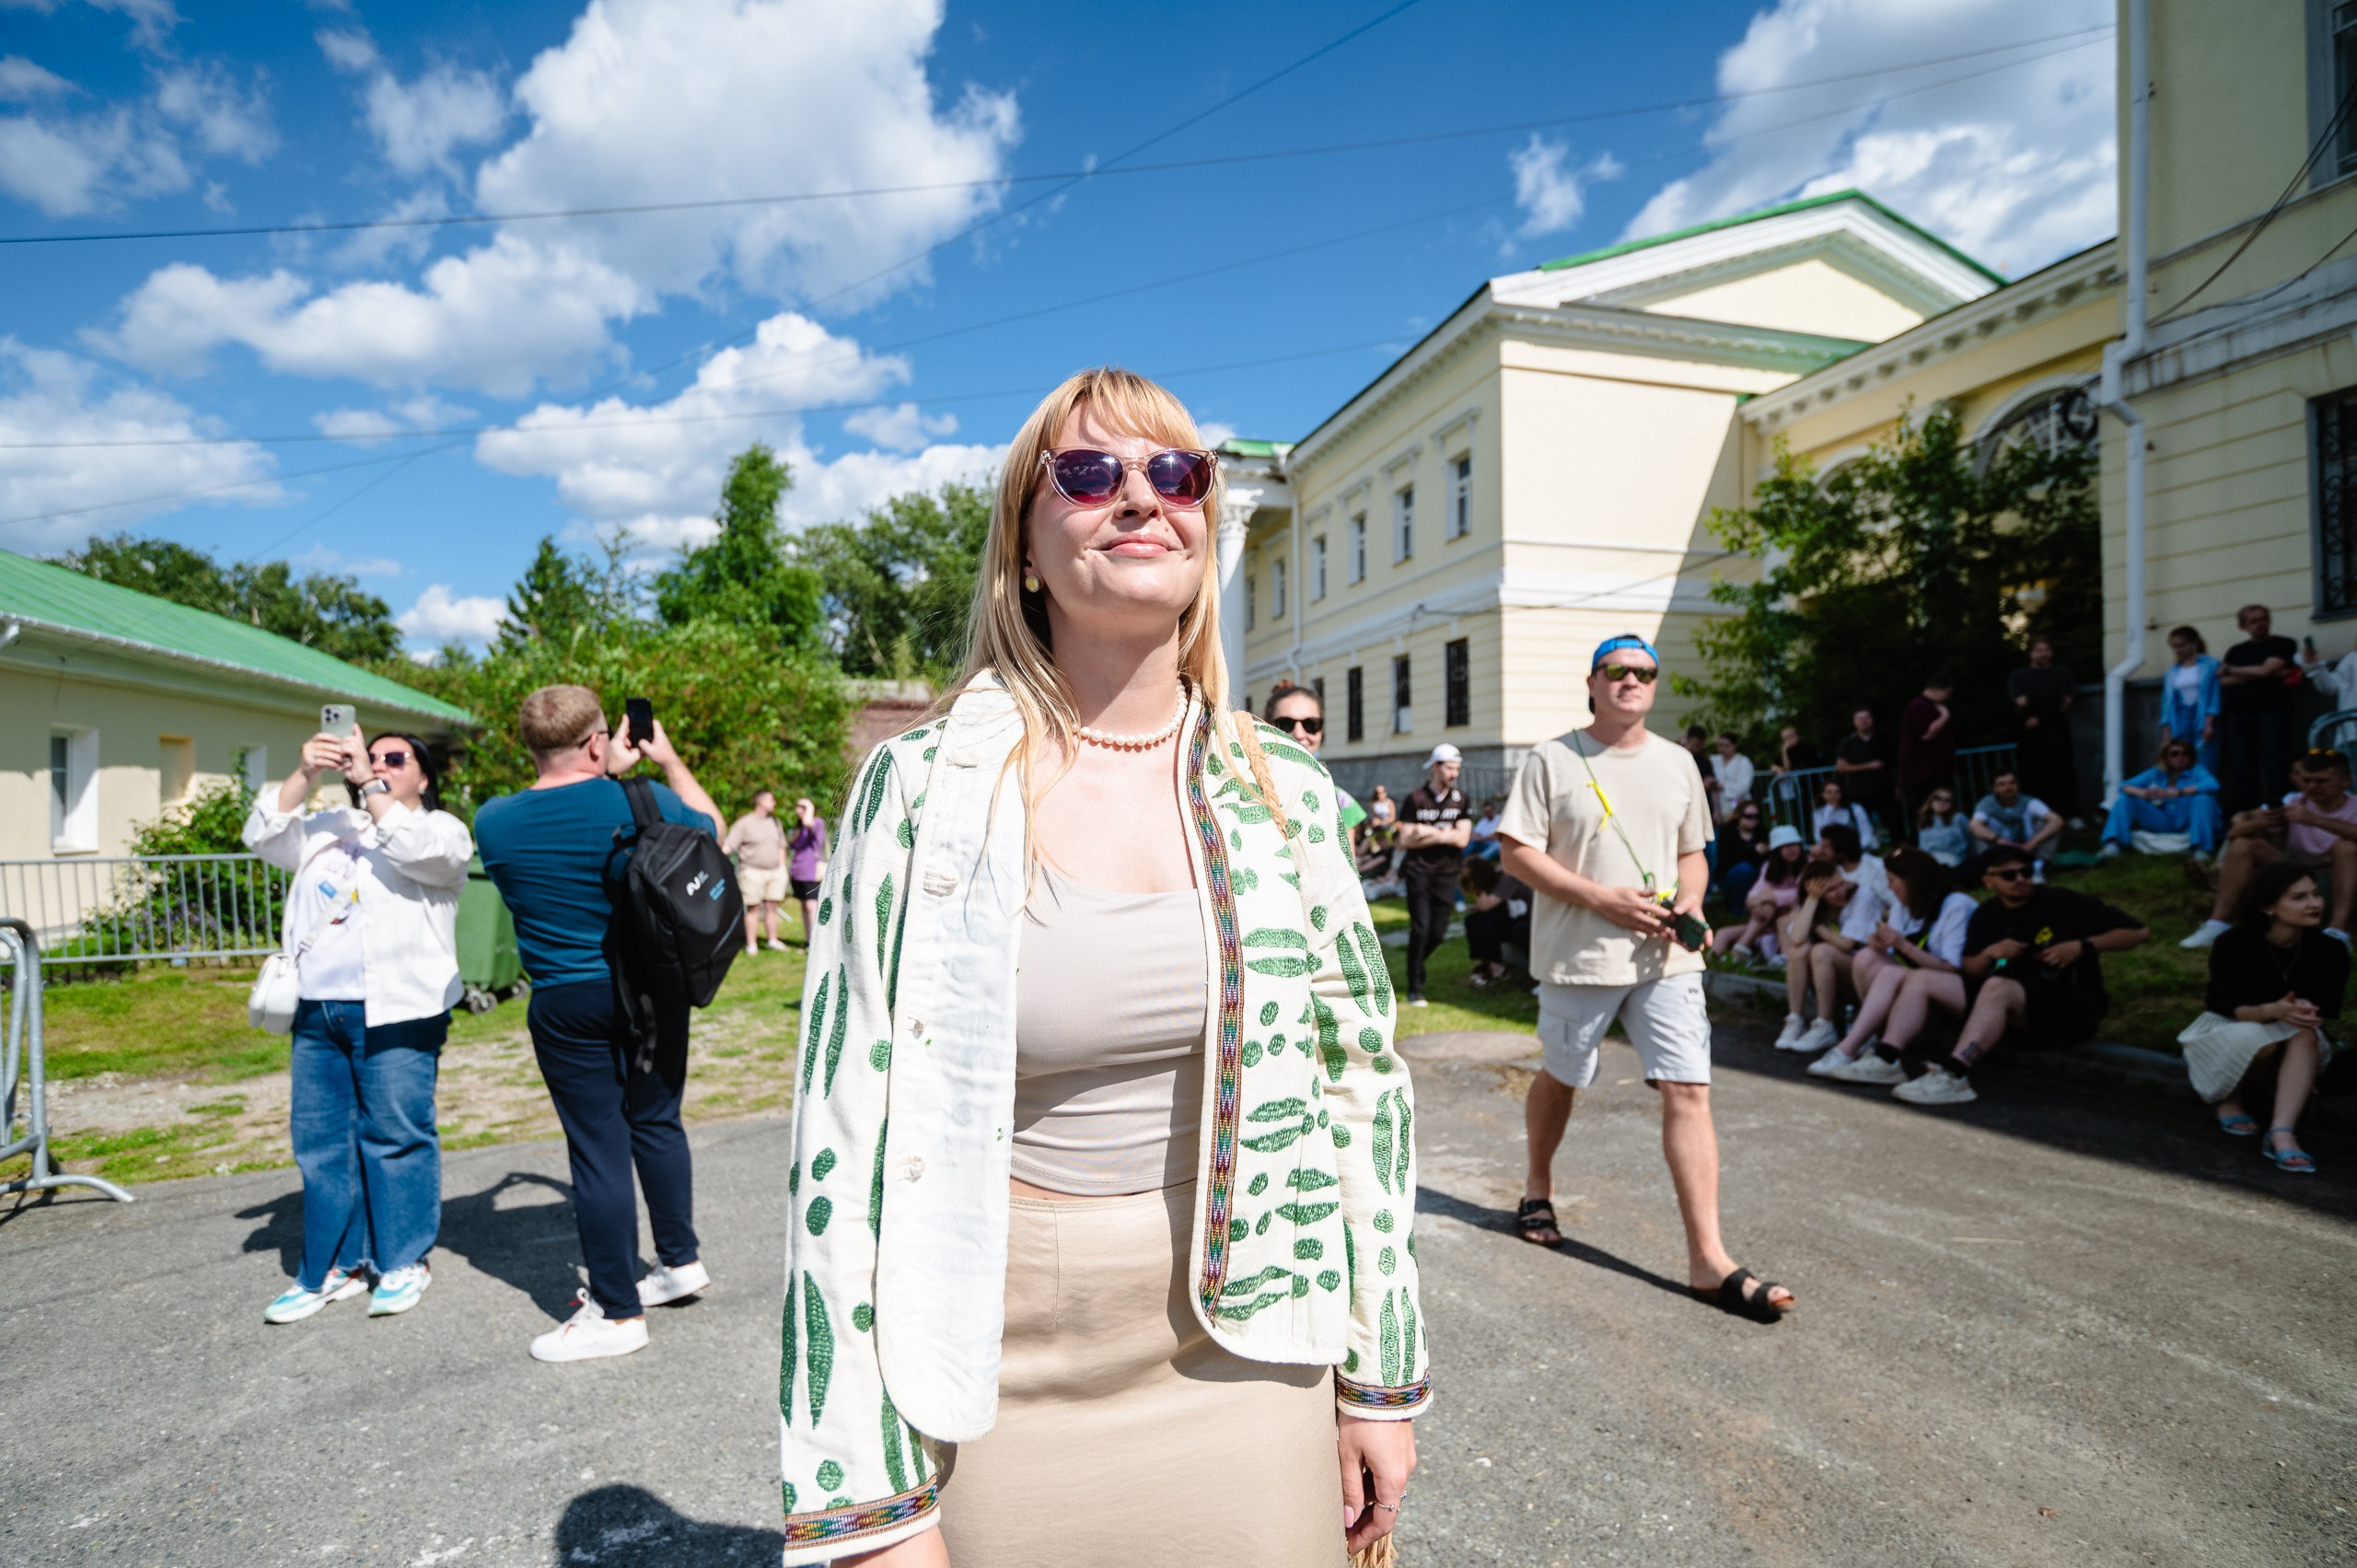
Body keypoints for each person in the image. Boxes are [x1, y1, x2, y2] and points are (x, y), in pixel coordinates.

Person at [777, 368, 1424, 1567]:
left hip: (1254, 1341)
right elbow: (843, 1128)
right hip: (994, 1353)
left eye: (1175, 474)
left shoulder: (1281, 790)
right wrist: (861, 1497)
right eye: (1087, 474)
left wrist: (1380, 1377)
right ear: (1024, 544)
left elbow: (1359, 1084)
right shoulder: (923, 788)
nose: (1139, 498)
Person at [1498, 633, 1794, 1321]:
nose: (1631, 680)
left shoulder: (1679, 762)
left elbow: (1694, 853)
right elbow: (1516, 854)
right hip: (1580, 955)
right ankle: (1537, 1182)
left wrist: (1692, 899)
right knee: (1565, 1075)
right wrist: (1600, 898)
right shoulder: (1553, 758)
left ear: (1655, 686)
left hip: (1667, 956)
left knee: (1689, 1087)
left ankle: (1708, 1258)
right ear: (1594, 682)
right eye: (1617, 670)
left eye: (1644, 672)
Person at [473, 686, 726, 1363]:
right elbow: (714, 832)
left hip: (567, 999)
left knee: (598, 1149)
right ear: (596, 741)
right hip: (653, 992)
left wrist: (602, 768)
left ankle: (617, 1312)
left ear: (530, 746)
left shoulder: (493, 821)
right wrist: (665, 762)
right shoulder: (644, 800)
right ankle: (677, 1260)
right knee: (657, 1120)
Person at [246, 726, 474, 1325]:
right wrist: (305, 772)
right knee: (321, 1143)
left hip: (399, 1008)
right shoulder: (332, 826)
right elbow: (264, 834)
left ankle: (401, 1260)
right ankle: (333, 1265)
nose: (376, 764)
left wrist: (371, 787)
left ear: (422, 776)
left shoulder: (441, 829)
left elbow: (414, 851)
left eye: (393, 759)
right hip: (319, 1008)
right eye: (370, 756)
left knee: (396, 1133)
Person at [1879, 843, 2150, 1107]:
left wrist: (2082, 946)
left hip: (2068, 1006)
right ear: (1988, 881)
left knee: (1998, 986)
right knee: (1922, 978)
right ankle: (1886, 1058)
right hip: (2013, 1011)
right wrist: (1989, 954)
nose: (2021, 879)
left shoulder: (2061, 901)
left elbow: (2138, 932)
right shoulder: (1986, 914)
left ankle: (1954, 1075)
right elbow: (1970, 968)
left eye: (2027, 872)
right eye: (2009, 875)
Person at [2177, 860, 2343, 1174]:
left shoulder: (2331, 950)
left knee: (2302, 1031)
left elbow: (2325, 1009)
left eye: (2315, 894)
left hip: (2296, 1035)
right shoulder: (2234, 943)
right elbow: (2228, 1006)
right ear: (2269, 906)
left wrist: (2302, 1010)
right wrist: (2273, 1010)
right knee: (2258, 1039)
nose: (2315, 903)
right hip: (2233, 1026)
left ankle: (2281, 1132)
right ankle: (2230, 1098)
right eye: (2299, 897)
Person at [1805, 846, 1977, 1082]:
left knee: (1891, 973)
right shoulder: (1902, 905)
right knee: (1866, 956)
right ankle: (1873, 1037)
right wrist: (1880, 944)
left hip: (1951, 986)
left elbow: (1952, 967)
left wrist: (1903, 945)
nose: (1889, 887)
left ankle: (1848, 1048)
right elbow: (1895, 949)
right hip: (1916, 984)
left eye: (1893, 881)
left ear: (1913, 881)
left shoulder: (1955, 904)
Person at [2183, 748, 2357, 949]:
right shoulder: (2294, 802)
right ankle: (2217, 924)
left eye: (2321, 781)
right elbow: (2234, 832)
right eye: (2307, 780)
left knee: (2346, 847)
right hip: (2299, 876)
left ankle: (2338, 933)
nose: (2312, 787)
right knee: (2245, 844)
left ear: (2345, 781)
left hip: (2341, 884)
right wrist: (2263, 823)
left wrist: (2315, 820)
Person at [1399, 742, 1472, 1006]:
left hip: (1447, 872)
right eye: (1450, 768)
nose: (1454, 773)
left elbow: (1463, 839)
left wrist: (1428, 832)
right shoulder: (1415, 799)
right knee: (1420, 928)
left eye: (1457, 768)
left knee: (1438, 932)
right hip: (1418, 872)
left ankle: (1415, 961)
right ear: (1436, 767)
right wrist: (1445, 834)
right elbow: (1405, 840)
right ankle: (1414, 987)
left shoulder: (1461, 799)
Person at [2219, 604, 2301, 816]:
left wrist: (2235, 670)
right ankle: (2250, 814)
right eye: (2254, 621)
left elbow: (2266, 670)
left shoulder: (2283, 643)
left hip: (2272, 712)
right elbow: (2223, 680)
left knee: (2275, 763)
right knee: (2242, 767)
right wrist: (2265, 672)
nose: (2260, 624)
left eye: (2263, 618)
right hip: (2238, 715)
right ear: (2242, 626)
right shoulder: (2236, 651)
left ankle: (2278, 812)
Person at [1774, 859, 1862, 1055]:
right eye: (1831, 890)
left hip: (1860, 975)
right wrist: (1812, 900)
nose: (1841, 892)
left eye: (1841, 884)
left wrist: (1819, 928)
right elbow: (1795, 940)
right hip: (1833, 975)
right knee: (1800, 953)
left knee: (1820, 950)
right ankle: (1795, 1020)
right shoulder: (1814, 907)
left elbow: (1845, 945)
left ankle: (1825, 1024)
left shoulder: (1857, 898)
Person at [2100, 738, 2223, 858]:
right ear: (2166, 757)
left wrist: (2180, 792)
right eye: (2174, 754)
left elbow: (2212, 784)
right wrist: (2141, 792)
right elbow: (2124, 786)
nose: (2180, 757)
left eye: (2185, 753)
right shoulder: (2156, 773)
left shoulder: (2196, 771)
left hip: (2187, 820)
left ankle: (2201, 849)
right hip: (2161, 820)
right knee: (2126, 798)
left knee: (2204, 799)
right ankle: (2113, 845)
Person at [1712, 823, 1805, 963]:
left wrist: (1772, 896)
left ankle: (1738, 952)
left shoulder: (1808, 865)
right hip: (1766, 921)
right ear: (1777, 850)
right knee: (1723, 933)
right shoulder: (1769, 867)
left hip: (1791, 920)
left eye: (1794, 844)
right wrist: (1757, 903)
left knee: (1767, 905)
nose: (1792, 849)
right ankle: (1711, 966)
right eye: (1786, 846)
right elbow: (1753, 896)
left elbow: (1802, 894)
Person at [2009, 634, 2080, 819]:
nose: (2044, 654)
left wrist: (2040, 714)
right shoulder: (2019, 676)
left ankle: (2070, 816)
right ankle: (2038, 817)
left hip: (2058, 735)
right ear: (2030, 653)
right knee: (2033, 777)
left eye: (2047, 650)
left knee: (2063, 775)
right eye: (2039, 651)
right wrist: (2051, 703)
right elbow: (2021, 703)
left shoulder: (2062, 673)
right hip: (2030, 738)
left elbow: (2066, 702)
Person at [724, 789, 792, 955]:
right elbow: (728, 846)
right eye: (771, 799)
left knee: (772, 907)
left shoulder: (775, 822)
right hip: (752, 872)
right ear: (760, 802)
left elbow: (782, 845)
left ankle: (772, 940)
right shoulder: (744, 823)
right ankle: (751, 944)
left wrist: (782, 867)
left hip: (775, 872)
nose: (774, 803)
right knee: (753, 909)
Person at [1968, 771, 2061, 879]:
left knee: (2051, 825)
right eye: (2002, 784)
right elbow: (1974, 825)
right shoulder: (1986, 804)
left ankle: (2038, 866)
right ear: (1994, 788)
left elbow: (2057, 820)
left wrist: (2033, 842)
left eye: (2012, 783)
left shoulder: (2028, 802)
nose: (2008, 787)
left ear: (2018, 785)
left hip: (2029, 846)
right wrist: (2000, 840)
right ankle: (1994, 870)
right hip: (2000, 848)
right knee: (1978, 832)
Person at [1897, 675, 1957, 830]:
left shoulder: (1926, 705)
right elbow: (1926, 734)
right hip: (1925, 773)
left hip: (1933, 769)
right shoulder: (1919, 706)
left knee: (1940, 806)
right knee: (1929, 808)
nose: (1949, 697)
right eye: (1948, 692)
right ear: (1937, 689)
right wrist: (1945, 716)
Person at [2161, 625, 2223, 777]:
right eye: (2174, 647)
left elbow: (2215, 695)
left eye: (2181, 646)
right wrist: (2166, 728)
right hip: (2180, 719)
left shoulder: (2210, 665)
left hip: (2202, 717)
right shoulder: (2172, 671)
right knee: (2181, 760)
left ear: (2193, 643)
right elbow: (2167, 702)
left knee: (2205, 761)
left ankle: (2204, 797)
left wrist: (2209, 722)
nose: (2177, 650)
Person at [1460, 855, 1531, 988]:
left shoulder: (1506, 879)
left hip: (1524, 921)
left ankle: (1496, 969)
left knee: (1486, 920)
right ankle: (1489, 964)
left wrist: (1478, 887)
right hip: (1509, 920)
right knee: (1473, 921)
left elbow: (1487, 905)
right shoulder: (1495, 881)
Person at [1835, 706, 1896, 839]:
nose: (1863, 721)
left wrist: (1899, 786)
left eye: (1866, 718)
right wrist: (1868, 766)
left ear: (1872, 719)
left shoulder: (1883, 738)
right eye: (1860, 719)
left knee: (1893, 824)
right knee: (1863, 827)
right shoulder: (1847, 742)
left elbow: (1895, 763)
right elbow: (1841, 767)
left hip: (1884, 789)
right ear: (1854, 722)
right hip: (1859, 792)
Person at [785, 796, 828, 944]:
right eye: (798, 806)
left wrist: (809, 807)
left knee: (811, 906)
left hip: (812, 873)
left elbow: (809, 823)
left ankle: (817, 941)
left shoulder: (817, 823)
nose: (798, 810)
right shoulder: (798, 828)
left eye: (802, 807)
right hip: (798, 872)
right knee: (804, 906)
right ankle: (809, 940)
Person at [1714, 798, 1771, 908]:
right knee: (1744, 869)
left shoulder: (1762, 831)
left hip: (1757, 875)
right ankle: (1737, 908)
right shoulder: (1728, 832)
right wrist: (1753, 852)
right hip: (1729, 876)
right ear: (1739, 816)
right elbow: (1726, 860)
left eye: (1756, 816)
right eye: (1748, 816)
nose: (1753, 819)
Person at [1813, 776, 1878, 852]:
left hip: (1855, 850)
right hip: (1831, 852)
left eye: (1837, 792)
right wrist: (1829, 810)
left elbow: (1866, 833)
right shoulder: (1818, 812)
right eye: (1829, 792)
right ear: (1822, 794)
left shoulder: (1855, 809)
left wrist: (1856, 848)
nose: (1833, 796)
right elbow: (1818, 836)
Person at [1915, 786, 1972, 868]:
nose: (1942, 802)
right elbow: (1922, 847)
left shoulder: (1958, 818)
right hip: (1928, 860)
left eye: (1947, 800)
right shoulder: (1924, 821)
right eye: (1938, 798)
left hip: (1952, 859)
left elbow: (1971, 839)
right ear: (1931, 801)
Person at [1710, 731, 1756, 825]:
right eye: (1720, 745)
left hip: (1738, 806)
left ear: (1734, 745)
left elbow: (1744, 787)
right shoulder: (1713, 760)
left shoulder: (1744, 762)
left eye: (1726, 745)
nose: (1722, 749)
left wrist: (1722, 787)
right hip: (1718, 807)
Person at [1469, 795, 1504, 861]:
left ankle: (1478, 861)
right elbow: (1476, 833)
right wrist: (1476, 837)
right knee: (1473, 843)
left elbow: (1495, 836)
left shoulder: (1500, 819)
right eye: (1486, 812)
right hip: (1485, 845)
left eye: (1489, 812)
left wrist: (1481, 838)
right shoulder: (1482, 821)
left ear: (1493, 810)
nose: (1488, 814)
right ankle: (1460, 859)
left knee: (1496, 847)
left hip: (1497, 846)